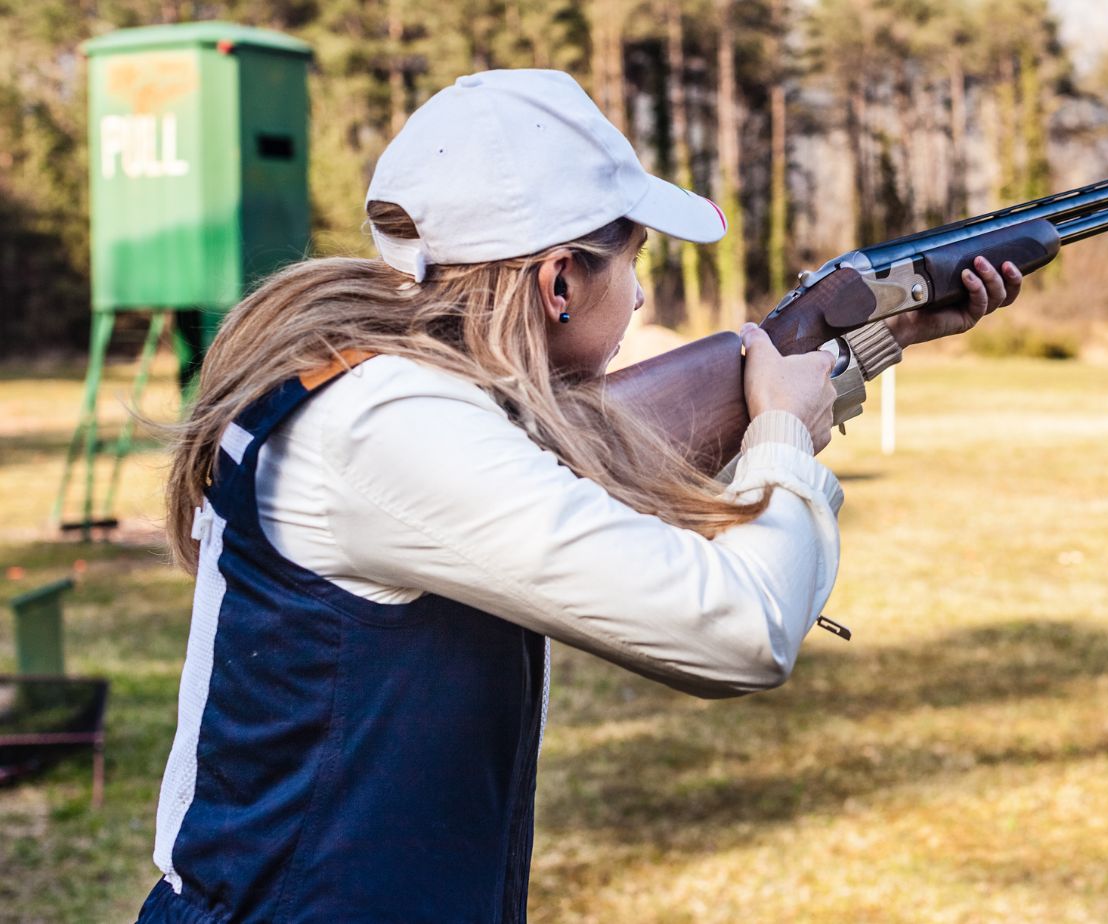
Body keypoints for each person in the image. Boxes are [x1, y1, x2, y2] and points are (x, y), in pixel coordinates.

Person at [137, 69, 1022, 923]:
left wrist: (875, 338)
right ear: (560, 281)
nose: (639, 296)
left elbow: (595, 468)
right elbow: (739, 634)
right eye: (632, 260)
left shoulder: (380, 387)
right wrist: (781, 435)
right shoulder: (391, 426)